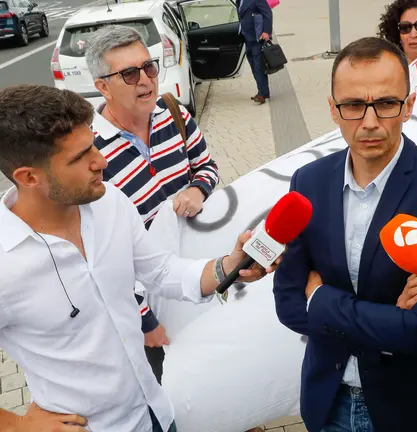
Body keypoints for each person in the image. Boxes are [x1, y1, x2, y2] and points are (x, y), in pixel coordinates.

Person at [0, 85, 275, 431]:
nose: (101, 161)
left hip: (156, 412)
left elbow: (161, 271)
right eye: (80, 157)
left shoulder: (109, 201)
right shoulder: (4, 263)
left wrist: (227, 266)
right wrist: (15, 425)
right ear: (28, 177)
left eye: (94, 146)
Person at [272, 37, 417, 432]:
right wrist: (388, 319)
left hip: (415, 408)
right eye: (353, 105)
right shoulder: (308, 183)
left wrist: (321, 298)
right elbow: (288, 306)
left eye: (385, 104)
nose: (369, 122)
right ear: (333, 110)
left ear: (410, 105)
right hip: (328, 402)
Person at [86, 24, 221, 384]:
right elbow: (104, 254)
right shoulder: (91, 154)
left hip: (197, 270)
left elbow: (207, 167)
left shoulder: (174, 112)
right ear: (102, 86)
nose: (145, 80)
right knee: (171, 385)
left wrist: (197, 190)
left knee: (213, 363)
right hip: (148, 301)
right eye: (129, 73)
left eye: (148, 67)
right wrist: (145, 320)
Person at [237, 0, 273, 104]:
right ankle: (264, 91)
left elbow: (267, 12)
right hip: (247, 36)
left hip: (258, 36)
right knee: (254, 65)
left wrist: (266, 31)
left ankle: (261, 94)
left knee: (258, 65)